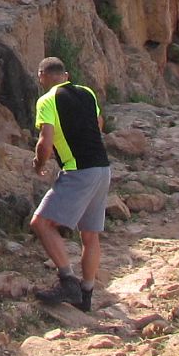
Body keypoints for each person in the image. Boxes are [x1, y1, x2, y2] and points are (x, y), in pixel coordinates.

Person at [29, 55, 110, 309]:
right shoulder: (87, 92)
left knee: (41, 223)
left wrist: (39, 164)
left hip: (78, 171)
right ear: (66, 76)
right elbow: (99, 124)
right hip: (102, 168)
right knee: (90, 235)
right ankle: (86, 295)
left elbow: (45, 141)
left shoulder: (47, 100)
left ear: (42, 76)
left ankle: (67, 281)